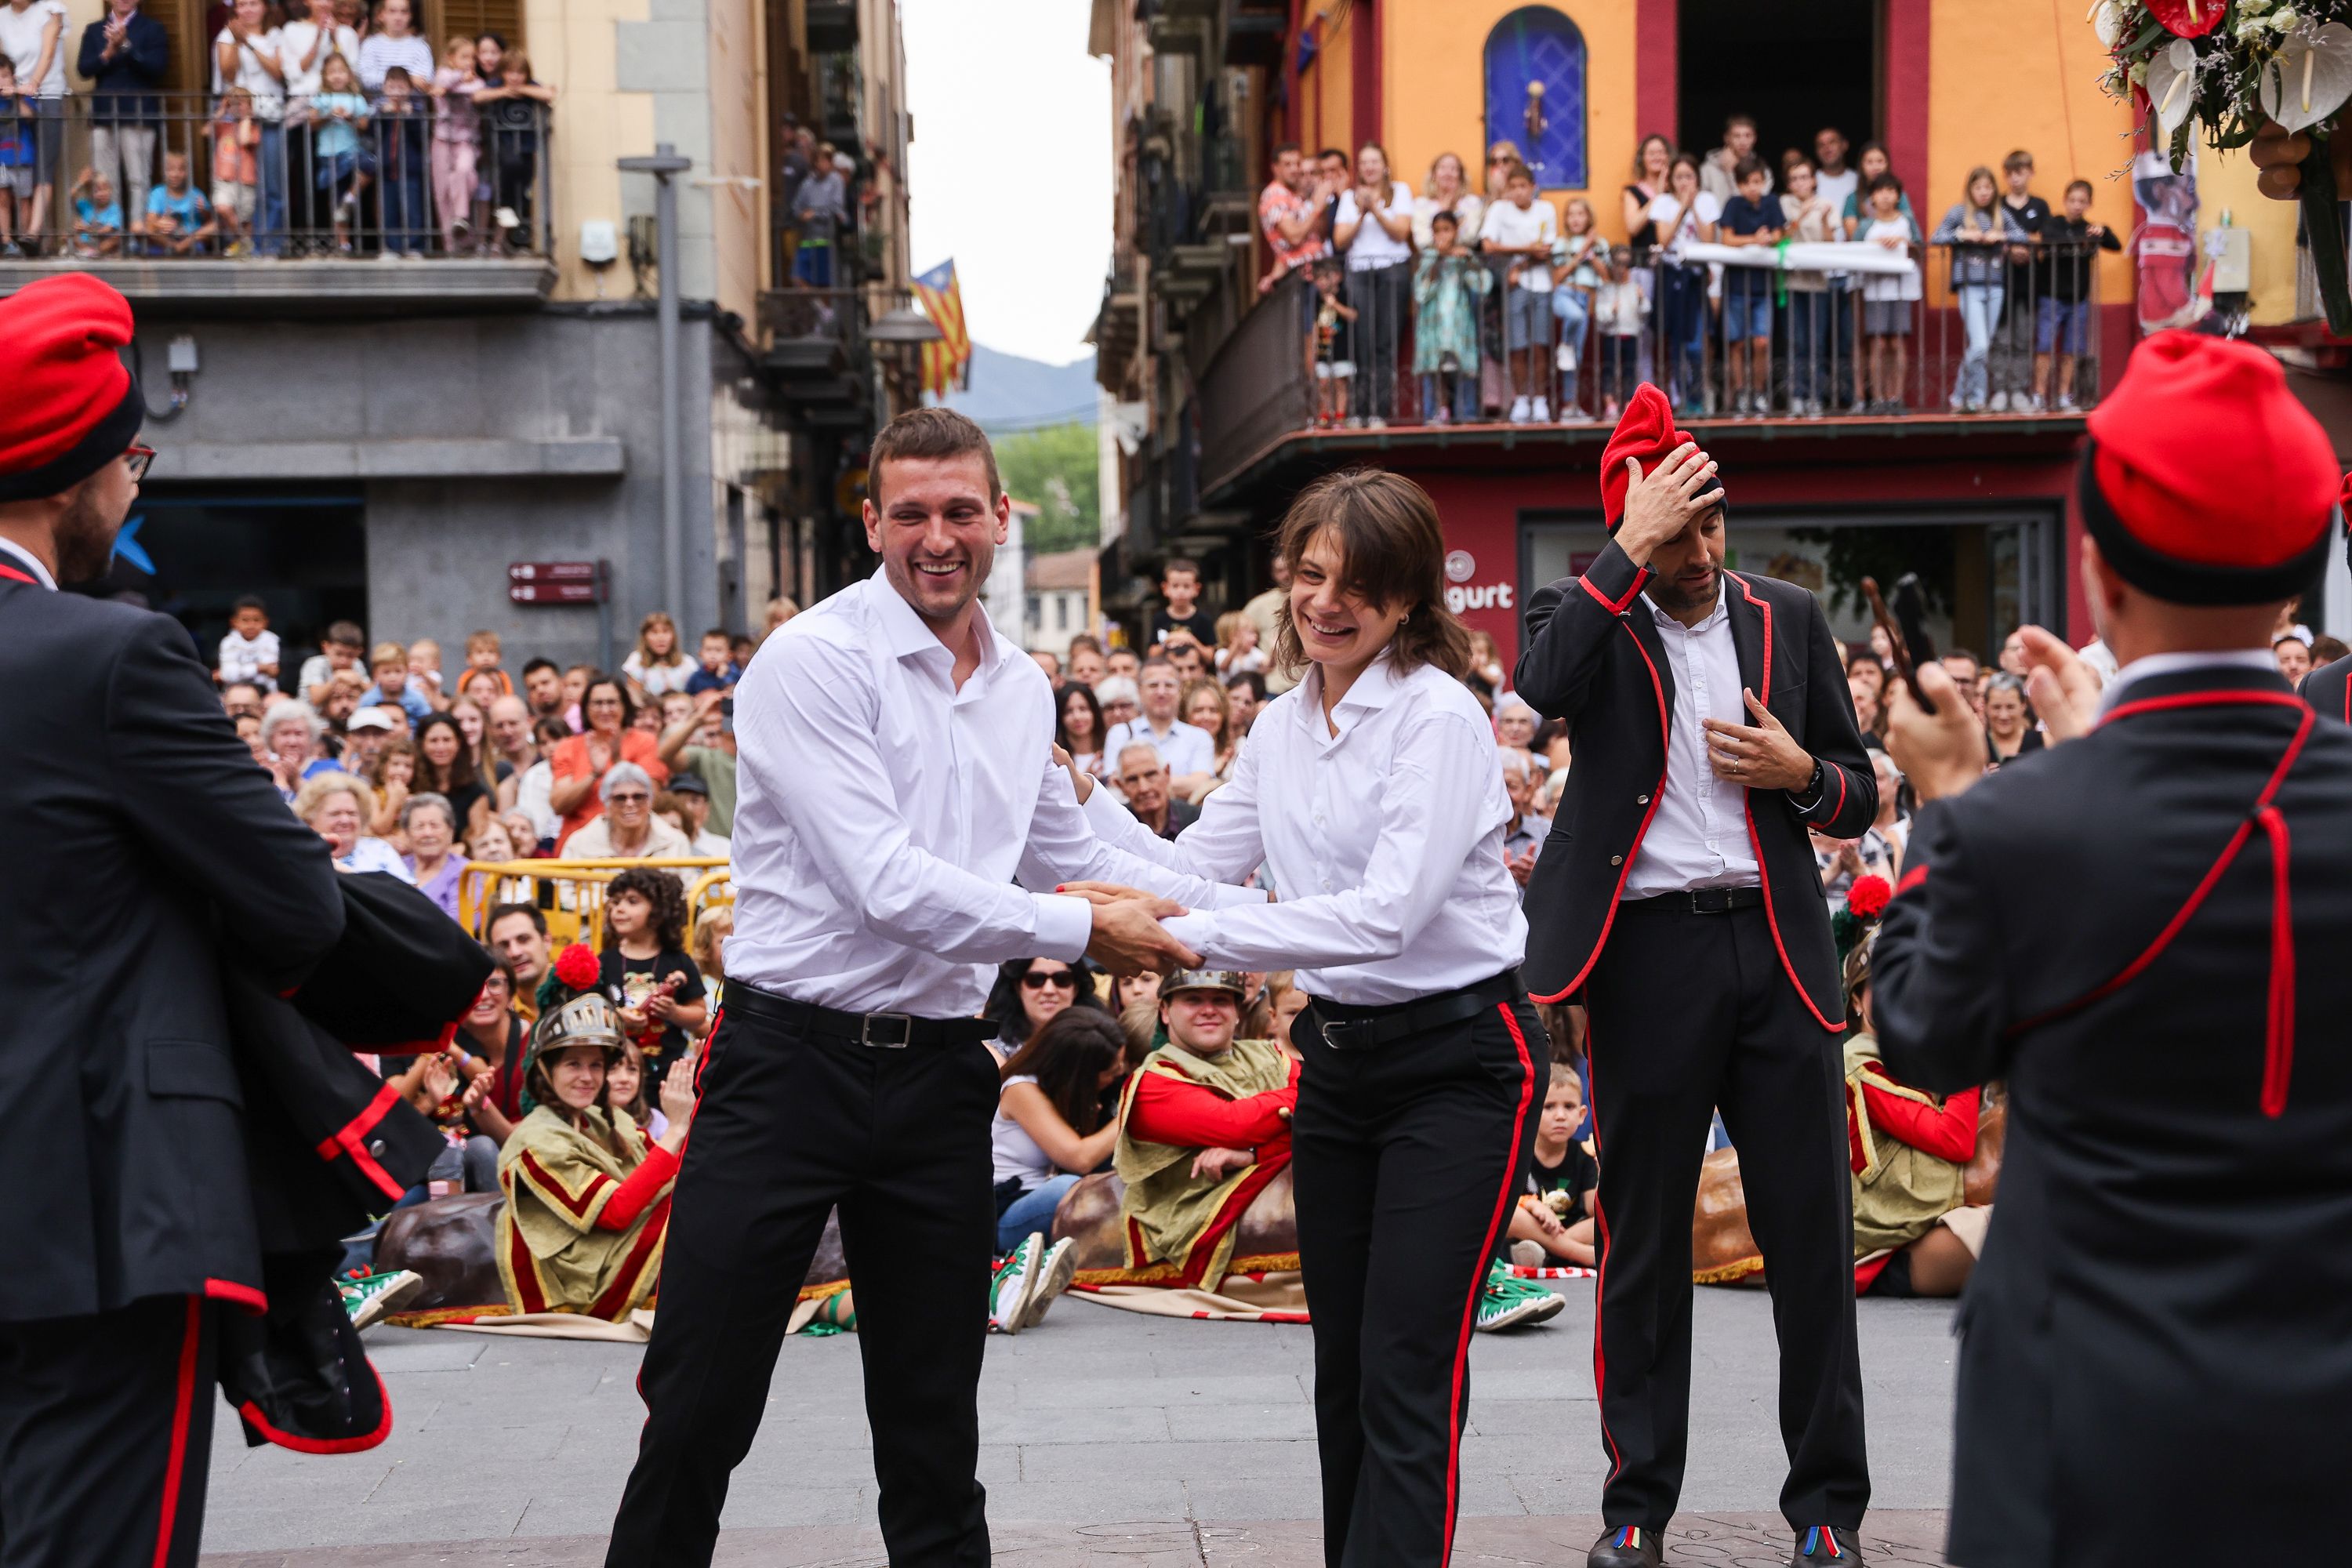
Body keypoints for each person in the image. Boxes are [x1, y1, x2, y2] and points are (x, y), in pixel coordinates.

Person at [604, 406, 1254, 1567]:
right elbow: (887, 885)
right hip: (785, 1067)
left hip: (939, 1076)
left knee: (933, 1426)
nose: (938, 536)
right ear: (872, 524)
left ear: (1003, 520)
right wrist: (1083, 927)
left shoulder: (1018, 688)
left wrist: (1249, 894)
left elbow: (1092, 847)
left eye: (962, 511)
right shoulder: (811, 662)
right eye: (912, 513)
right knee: (701, 1404)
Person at [1872, 330, 2352, 1568]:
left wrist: (1951, 807)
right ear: (2300, 580)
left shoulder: (2011, 827)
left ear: (2096, 575)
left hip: (2084, 1422)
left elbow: (1923, 1030)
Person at [1061, 467, 1546, 1564]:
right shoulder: (1283, 723)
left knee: (1409, 1361)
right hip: (1340, 1062)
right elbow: (1189, 867)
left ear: (1413, 599)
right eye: (1310, 574)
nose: (1327, 602)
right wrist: (1068, 796)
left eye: (1360, 585)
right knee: (1347, 1371)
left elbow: (1385, 916)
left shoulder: (1439, 717)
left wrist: (1188, 937)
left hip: (1461, 1058)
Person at [0, 274, 350, 1568]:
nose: (134, 488)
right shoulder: (108, 653)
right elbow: (297, 902)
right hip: (94, 1205)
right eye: (131, 457)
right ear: (75, 471)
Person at [1513, 385, 1878, 1568]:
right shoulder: (1585, 613)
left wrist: (1797, 772)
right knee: (1646, 1244)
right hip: (1648, 957)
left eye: (1711, 522)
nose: (1699, 549)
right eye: (1676, 526)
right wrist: (1628, 543)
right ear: (1633, 523)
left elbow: (1858, 787)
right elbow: (1540, 689)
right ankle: (1637, 1510)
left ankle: (1828, 1509)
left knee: (1812, 1242)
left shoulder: (1789, 615)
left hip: (1778, 950)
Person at [495, 985, 695, 1320]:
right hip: (588, 1276)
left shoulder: (603, 1118)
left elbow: (669, 1172)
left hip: (620, 1245)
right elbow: (616, 1212)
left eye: (596, 1066)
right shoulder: (535, 1140)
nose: (587, 1077)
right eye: (573, 1064)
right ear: (547, 1069)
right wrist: (674, 1129)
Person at [1112, 967, 1301, 1288]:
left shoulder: (1269, 1054)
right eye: (1193, 999)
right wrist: (1300, 1098)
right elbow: (1236, 1125)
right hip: (1198, 1207)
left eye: (1221, 1000)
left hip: (1271, 1177)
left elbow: (1328, 1108)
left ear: (1238, 1012)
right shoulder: (1153, 1082)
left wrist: (1256, 1153)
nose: (1209, 1009)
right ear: (1165, 1012)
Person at [1838, 927, 1982, 1300]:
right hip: (1888, 1242)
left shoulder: (1914, 1056)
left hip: (1928, 1216)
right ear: (1857, 999)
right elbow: (1954, 1139)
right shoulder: (1859, 1061)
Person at [990, 1004, 1123, 1249]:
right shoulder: (1021, 1089)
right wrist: (1133, 1110)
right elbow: (1079, 1158)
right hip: (1004, 1214)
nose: (1119, 1074)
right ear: (1080, 1072)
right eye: (1110, 1072)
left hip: (1042, 1202)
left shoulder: (1060, 1090)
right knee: (1067, 1188)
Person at [1932, 165, 2027, 415]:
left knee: (1981, 345)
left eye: (1988, 187)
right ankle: (1964, 396)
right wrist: (1962, 235)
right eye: (1978, 187)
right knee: (1981, 345)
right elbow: (1937, 237)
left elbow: (2022, 235)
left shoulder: (2000, 213)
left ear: (1994, 190)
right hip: (1969, 286)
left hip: (1995, 286)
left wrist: (2001, 235)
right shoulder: (1959, 212)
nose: (1983, 192)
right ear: (1970, 190)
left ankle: (1973, 399)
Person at [1333, 142, 1414, 426]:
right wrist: (1361, 214)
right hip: (1360, 272)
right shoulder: (1347, 198)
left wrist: (1376, 211)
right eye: (1364, 162)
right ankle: (1359, 410)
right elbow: (1340, 240)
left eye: (1374, 161)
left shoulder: (1400, 192)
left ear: (1385, 166)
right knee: (1362, 341)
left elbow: (1401, 233)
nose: (1369, 167)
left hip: (1393, 270)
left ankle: (1380, 411)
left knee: (1385, 341)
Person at [597, 866, 706, 1072]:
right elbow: (590, 1009)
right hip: (615, 1073)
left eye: (632, 901)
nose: (619, 909)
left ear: (659, 910)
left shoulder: (679, 961)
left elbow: (699, 1014)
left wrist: (674, 1012)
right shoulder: (605, 960)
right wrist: (617, 1016)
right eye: (616, 901)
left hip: (666, 1072)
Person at [77, 0, 167, 238]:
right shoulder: (95, 29)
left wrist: (125, 46)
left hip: (138, 113)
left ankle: (138, 235)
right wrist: (107, 53)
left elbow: (157, 68)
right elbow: (84, 69)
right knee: (106, 180)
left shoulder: (152, 28)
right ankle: (113, 235)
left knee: (138, 178)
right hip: (103, 113)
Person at [547, 675, 668, 851]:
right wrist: (594, 774)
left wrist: (617, 759)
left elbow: (653, 799)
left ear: (624, 707)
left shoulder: (645, 742)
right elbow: (558, 805)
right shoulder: (568, 747)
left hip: (632, 849)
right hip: (580, 851)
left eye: (612, 703)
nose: (605, 710)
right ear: (586, 709)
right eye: (597, 703)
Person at [1479, 161, 1557, 423]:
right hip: (1513, 287)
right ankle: (1522, 399)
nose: (1518, 192)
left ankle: (1540, 399)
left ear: (1533, 187)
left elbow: (1545, 248)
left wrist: (1519, 261)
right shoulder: (1499, 209)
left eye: (1523, 186)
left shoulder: (1546, 209)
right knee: (1518, 346)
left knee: (1540, 345)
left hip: (1541, 284)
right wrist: (1526, 250)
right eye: (1513, 187)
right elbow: (1488, 245)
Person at [2034, 179, 2119, 412]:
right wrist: (2085, 240)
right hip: (2051, 296)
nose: (2076, 205)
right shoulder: (2054, 223)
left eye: (2082, 201)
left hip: (2078, 300)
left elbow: (2115, 244)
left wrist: (2103, 230)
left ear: (2089, 203)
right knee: (2044, 345)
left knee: (2073, 349)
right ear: (2065, 200)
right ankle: (2039, 395)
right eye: (2072, 200)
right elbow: (2051, 238)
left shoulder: (2089, 228)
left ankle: (2063, 395)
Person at [1501, 1064, 1599, 1269]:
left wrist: (1603, 1171)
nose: (1560, 1116)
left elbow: (1594, 1209)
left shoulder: (1584, 1156)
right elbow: (1505, 1199)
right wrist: (1531, 1205)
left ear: (1582, 1115)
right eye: (1549, 1107)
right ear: (1532, 1111)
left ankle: (1548, 1254)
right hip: (1528, 1231)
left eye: (1569, 1107)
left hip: (1566, 1232)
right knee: (1510, 1214)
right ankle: (1578, 1254)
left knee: (1603, 1220)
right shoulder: (1519, 1153)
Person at [1649, 153, 1720, 414]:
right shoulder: (1663, 203)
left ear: (1697, 179)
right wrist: (1681, 207)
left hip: (1696, 277)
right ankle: (1681, 400)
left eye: (1689, 177)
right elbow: (1664, 240)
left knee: (1696, 343)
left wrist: (1693, 207)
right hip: (1672, 276)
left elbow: (1708, 239)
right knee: (1676, 342)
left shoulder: (1707, 201)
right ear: (1671, 181)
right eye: (1679, 177)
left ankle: (1697, 395)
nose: (1684, 182)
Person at [1715, 157, 1783, 417]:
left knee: (1762, 342)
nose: (1753, 188)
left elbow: (1779, 234)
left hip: (1763, 287)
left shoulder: (1772, 203)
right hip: (1735, 285)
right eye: (1747, 183)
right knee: (1738, 344)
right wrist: (1755, 239)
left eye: (1757, 182)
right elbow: (1727, 238)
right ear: (1739, 185)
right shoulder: (1733, 204)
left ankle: (1759, 391)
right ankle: (1741, 392)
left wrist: (1769, 238)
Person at [1412, 206, 1490, 424]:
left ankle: (1467, 414)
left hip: (1459, 323)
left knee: (1463, 368)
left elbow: (1482, 285)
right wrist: (1438, 259)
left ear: (1456, 231)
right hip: (1433, 324)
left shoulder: (1465, 255)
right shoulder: (1428, 257)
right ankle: (1435, 412)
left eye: (1447, 229)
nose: (1443, 235)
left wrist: (1468, 262)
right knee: (1434, 370)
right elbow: (1421, 292)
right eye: (1438, 231)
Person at [1988, 149, 2051, 413]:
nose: (2016, 178)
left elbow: (2046, 239)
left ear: (2030, 173)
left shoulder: (2040, 206)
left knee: (2024, 337)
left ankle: (2019, 390)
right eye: (2011, 173)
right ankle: (2001, 390)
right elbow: (1989, 236)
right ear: (2005, 176)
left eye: (2021, 172)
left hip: (2029, 283)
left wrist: (2028, 246)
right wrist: (2010, 248)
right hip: (2000, 282)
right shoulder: (1997, 206)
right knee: (2001, 338)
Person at [0, 0, 64, 256]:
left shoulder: (51, 9)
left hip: (44, 93)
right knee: (5, 192)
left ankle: (32, 235)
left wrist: (30, 85)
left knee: (42, 169)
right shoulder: (2, 15)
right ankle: (8, 240)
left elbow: (48, 52)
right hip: (14, 95)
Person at [1859, 172, 1922, 415]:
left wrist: (1903, 243)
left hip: (1902, 290)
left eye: (1891, 191)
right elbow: (1852, 253)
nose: (1885, 196)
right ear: (1872, 197)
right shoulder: (1866, 225)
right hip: (1874, 290)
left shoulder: (1907, 221)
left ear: (1898, 196)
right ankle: (1877, 398)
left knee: (1896, 342)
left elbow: (1919, 248)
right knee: (1877, 343)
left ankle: (1896, 397)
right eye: (1880, 191)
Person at [1104, 655, 1217, 782]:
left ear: (1180, 690)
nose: (1161, 692)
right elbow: (1114, 783)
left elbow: (1201, 783)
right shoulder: (1120, 733)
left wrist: (1136, 781)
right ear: (1140, 691)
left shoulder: (1200, 737)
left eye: (1169, 685)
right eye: (1153, 685)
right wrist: (1184, 783)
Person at [564, 761, 695, 865]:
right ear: (606, 804)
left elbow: (690, 892)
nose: (630, 803)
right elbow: (565, 894)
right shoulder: (579, 844)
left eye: (638, 797)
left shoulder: (675, 842)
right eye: (621, 798)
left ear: (649, 802)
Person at [427, 31, 478, 252]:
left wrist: (451, 87)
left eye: (472, 58)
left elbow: (476, 91)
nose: (470, 63)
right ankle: (451, 245)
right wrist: (456, 81)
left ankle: (461, 219)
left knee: (464, 172)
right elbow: (440, 84)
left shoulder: (477, 82)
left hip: (466, 140)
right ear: (451, 58)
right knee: (442, 192)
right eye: (465, 57)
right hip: (442, 139)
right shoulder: (443, 74)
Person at [1257, 140, 1329, 296]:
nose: (1295, 169)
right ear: (1275, 168)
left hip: (1316, 276)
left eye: (1297, 163)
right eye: (1288, 164)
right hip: (1301, 281)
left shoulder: (1293, 195)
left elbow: (1317, 237)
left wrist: (1321, 204)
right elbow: (1294, 238)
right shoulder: (1275, 195)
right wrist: (1317, 208)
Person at [1112, 741, 1196, 840]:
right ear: (1121, 786)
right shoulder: (1115, 828)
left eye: (1150, 775)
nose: (1144, 788)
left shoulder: (1196, 822)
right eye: (1133, 779)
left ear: (1166, 773)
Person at [400, 791, 466, 916]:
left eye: (434, 825)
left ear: (450, 832)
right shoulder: (396, 866)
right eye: (419, 827)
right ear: (407, 834)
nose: (427, 833)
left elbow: (458, 925)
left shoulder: (466, 872)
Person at [143, 149, 216, 256]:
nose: (175, 174)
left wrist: (204, 211)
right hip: (166, 239)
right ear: (163, 171)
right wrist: (159, 224)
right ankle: (175, 247)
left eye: (181, 170)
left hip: (190, 239)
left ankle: (179, 248)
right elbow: (150, 222)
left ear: (188, 172)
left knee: (215, 226)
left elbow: (209, 221)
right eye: (170, 169)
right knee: (141, 227)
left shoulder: (196, 193)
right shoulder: (157, 193)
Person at [1700, 113, 1769, 204]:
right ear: (1727, 138)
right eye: (1737, 136)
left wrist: (1730, 173)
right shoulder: (1707, 170)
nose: (1743, 142)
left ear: (1754, 138)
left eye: (1748, 136)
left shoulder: (1763, 171)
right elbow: (1702, 204)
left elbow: (1754, 205)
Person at [1981, 672, 2042, 765]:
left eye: (2010, 707)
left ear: (2023, 706)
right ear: (1985, 706)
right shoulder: (1976, 745)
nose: (2003, 716)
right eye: (1996, 707)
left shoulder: (2043, 742)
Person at [1057, 680, 1107, 778]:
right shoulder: (1056, 760)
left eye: (1083, 709)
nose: (1077, 717)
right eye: (1068, 711)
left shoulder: (1110, 751)